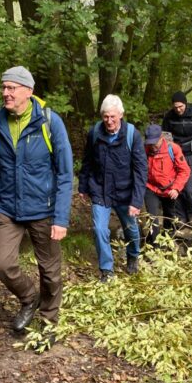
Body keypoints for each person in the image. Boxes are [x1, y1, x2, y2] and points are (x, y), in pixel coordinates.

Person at [0, 66, 73, 333]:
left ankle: (48, 322)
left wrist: (61, 218)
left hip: (44, 209)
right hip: (9, 208)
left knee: (50, 272)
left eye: (11, 88)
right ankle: (29, 299)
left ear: (28, 91)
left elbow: (65, 173)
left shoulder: (49, 122)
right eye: (3, 87)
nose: (5, 93)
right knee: (4, 265)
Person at [78, 94, 147, 282]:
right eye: (105, 117)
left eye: (113, 117)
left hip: (126, 193)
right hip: (100, 190)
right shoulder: (94, 133)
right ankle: (106, 270)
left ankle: (133, 256)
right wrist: (83, 186)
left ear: (121, 115)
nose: (109, 121)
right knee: (100, 229)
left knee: (131, 229)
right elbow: (87, 162)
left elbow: (141, 170)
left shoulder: (132, 135)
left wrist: (136, 201)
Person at [143, 124, 191, 245]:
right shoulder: (145, 149)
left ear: (161, 138)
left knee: (169, 216)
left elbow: (184, 170)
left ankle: (168, 239)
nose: (152, 146)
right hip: (151, 187)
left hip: (170, 189)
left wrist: (176, 188)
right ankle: (155, 246)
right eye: (150, 143)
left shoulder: (173, 148)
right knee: (152, 216)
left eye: (155, 143)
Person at [161, 91, 192, 221]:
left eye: (181, 106)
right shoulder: (168, 116)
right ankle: (180, 216)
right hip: (175, 155)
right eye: (175, 107)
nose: (178, 110)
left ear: (185, 104)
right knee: (177, 186)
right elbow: (165, 137)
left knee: (190, 188)